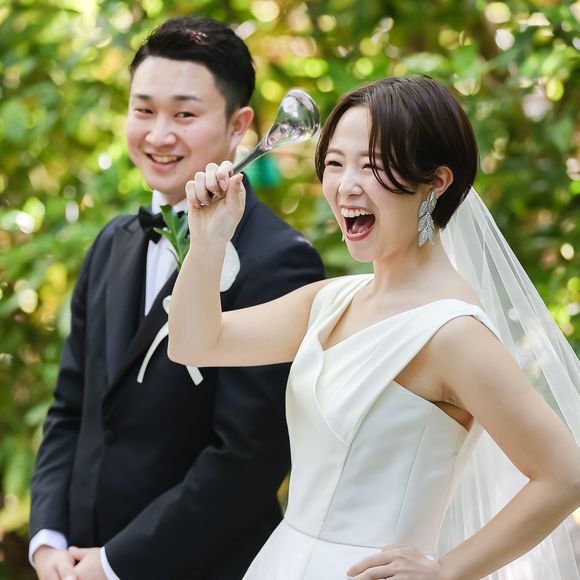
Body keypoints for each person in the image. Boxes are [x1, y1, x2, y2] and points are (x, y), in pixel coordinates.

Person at [168, 75, 580, 580]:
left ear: (436, 182)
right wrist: (209, 239)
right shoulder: (331, 301)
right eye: (335, 163)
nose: (346, 185)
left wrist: (447, 571)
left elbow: (565, 475)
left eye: (372, 165)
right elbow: (194, 344)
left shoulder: (452, 333)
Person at [29, 15, 324, 580]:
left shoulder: (281, 262)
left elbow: (248, 456)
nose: (159, 135)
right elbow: (71, 409)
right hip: (75, 560)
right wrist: (48, 541)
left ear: (239, 126)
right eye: (144, 110)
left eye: (184, 115)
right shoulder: (111, 243)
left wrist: (114, 564)